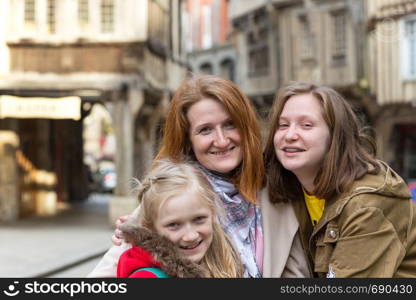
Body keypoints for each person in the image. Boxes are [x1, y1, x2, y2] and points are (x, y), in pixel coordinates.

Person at [88, 74, 310, 278]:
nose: (222, 140)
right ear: (188, 140)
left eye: (230, 124)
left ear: (246, 127)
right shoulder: (168, 197)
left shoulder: (279, 189)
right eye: (205, 130)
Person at [264, 81, 416, 277]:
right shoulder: (291, 190)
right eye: (282, 125)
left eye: (306, 125)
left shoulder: (367, 205)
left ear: (335, 136)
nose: (290, 135)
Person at [117, 159, 243, 278]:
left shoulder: (222, 259)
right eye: (174, 225)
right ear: (150, 228)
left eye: (199, 219)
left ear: (213, 214)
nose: (190, 236)